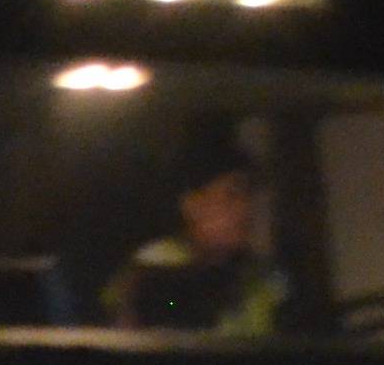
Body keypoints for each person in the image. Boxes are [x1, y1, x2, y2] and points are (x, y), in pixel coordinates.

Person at [115, 132, 284, 336]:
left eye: (249, 196)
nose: (245, 209)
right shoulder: (154, 270)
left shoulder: (260, 275)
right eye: (231, 195)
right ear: (191, 204)